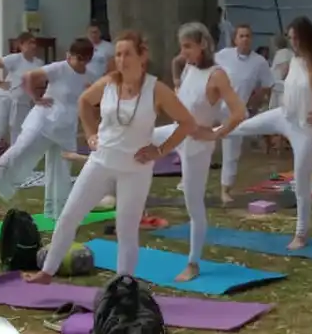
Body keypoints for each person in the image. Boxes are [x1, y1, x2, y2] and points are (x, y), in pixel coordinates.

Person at [26, 32, 207, 283]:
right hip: (100, 162)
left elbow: (187, 123)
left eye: (127, 54)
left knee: (126, 231)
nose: (121, 59)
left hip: (135, 170)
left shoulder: (156, 89)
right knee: (69, 216)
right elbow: (84, 102)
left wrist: (160, 150)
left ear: (142, 56)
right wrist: (90, 134)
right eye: (118, 54)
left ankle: (124, 285)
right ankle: (47, 271)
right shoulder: (109, 83)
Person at [222, 17, 312, 249]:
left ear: (305, 37)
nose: (292, 43)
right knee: (237, 128)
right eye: (290, 38)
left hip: (307, 130)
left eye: (295, 38)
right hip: (283, 116)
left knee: (301, 181)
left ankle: (301, 234)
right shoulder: (295, 61)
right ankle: (199, 132)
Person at [152, 22, 247, 281]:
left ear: (203, 44)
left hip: (198, 144)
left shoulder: (217, 75)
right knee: (138, 138)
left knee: (193, 205)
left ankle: (193, 263)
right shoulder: (189, 67)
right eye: (182, 47)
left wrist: (216, 133)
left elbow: (239, 112)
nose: (183, 52)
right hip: (178, 130)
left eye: (188, 46)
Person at [0, 38, 96, 219]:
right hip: (44, 118)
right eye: (73, 57)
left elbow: (89, 98)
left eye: (80, 59)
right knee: (23, 147)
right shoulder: (59, 68)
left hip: (66, 126)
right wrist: (36, 97)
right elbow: (29, 76)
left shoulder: (88, 76)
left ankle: (57, 209)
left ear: (86, 59)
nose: (74, 61)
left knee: (61, 167)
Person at [214, 23, 276, 204]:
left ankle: (225, 190)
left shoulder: (259, 62)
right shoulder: (222, 56)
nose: (245, 39)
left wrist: (253, 105)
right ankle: (188, 183)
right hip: (216, 107)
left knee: (232, 150)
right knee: (199, 143)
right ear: (235, 39)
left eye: (248, 36)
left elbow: (266, 85)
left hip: (237, 112)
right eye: (241, 36)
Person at [0, 33, 43, 168]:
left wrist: (36, 98)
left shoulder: (38, 63)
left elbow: (36, 84)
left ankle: (13, 163)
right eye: (29, 43)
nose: (32, 46)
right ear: (21, 45)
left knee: (18, 131)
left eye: (34, 43)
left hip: (22, 101)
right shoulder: (15, 59)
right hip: (6, 98)